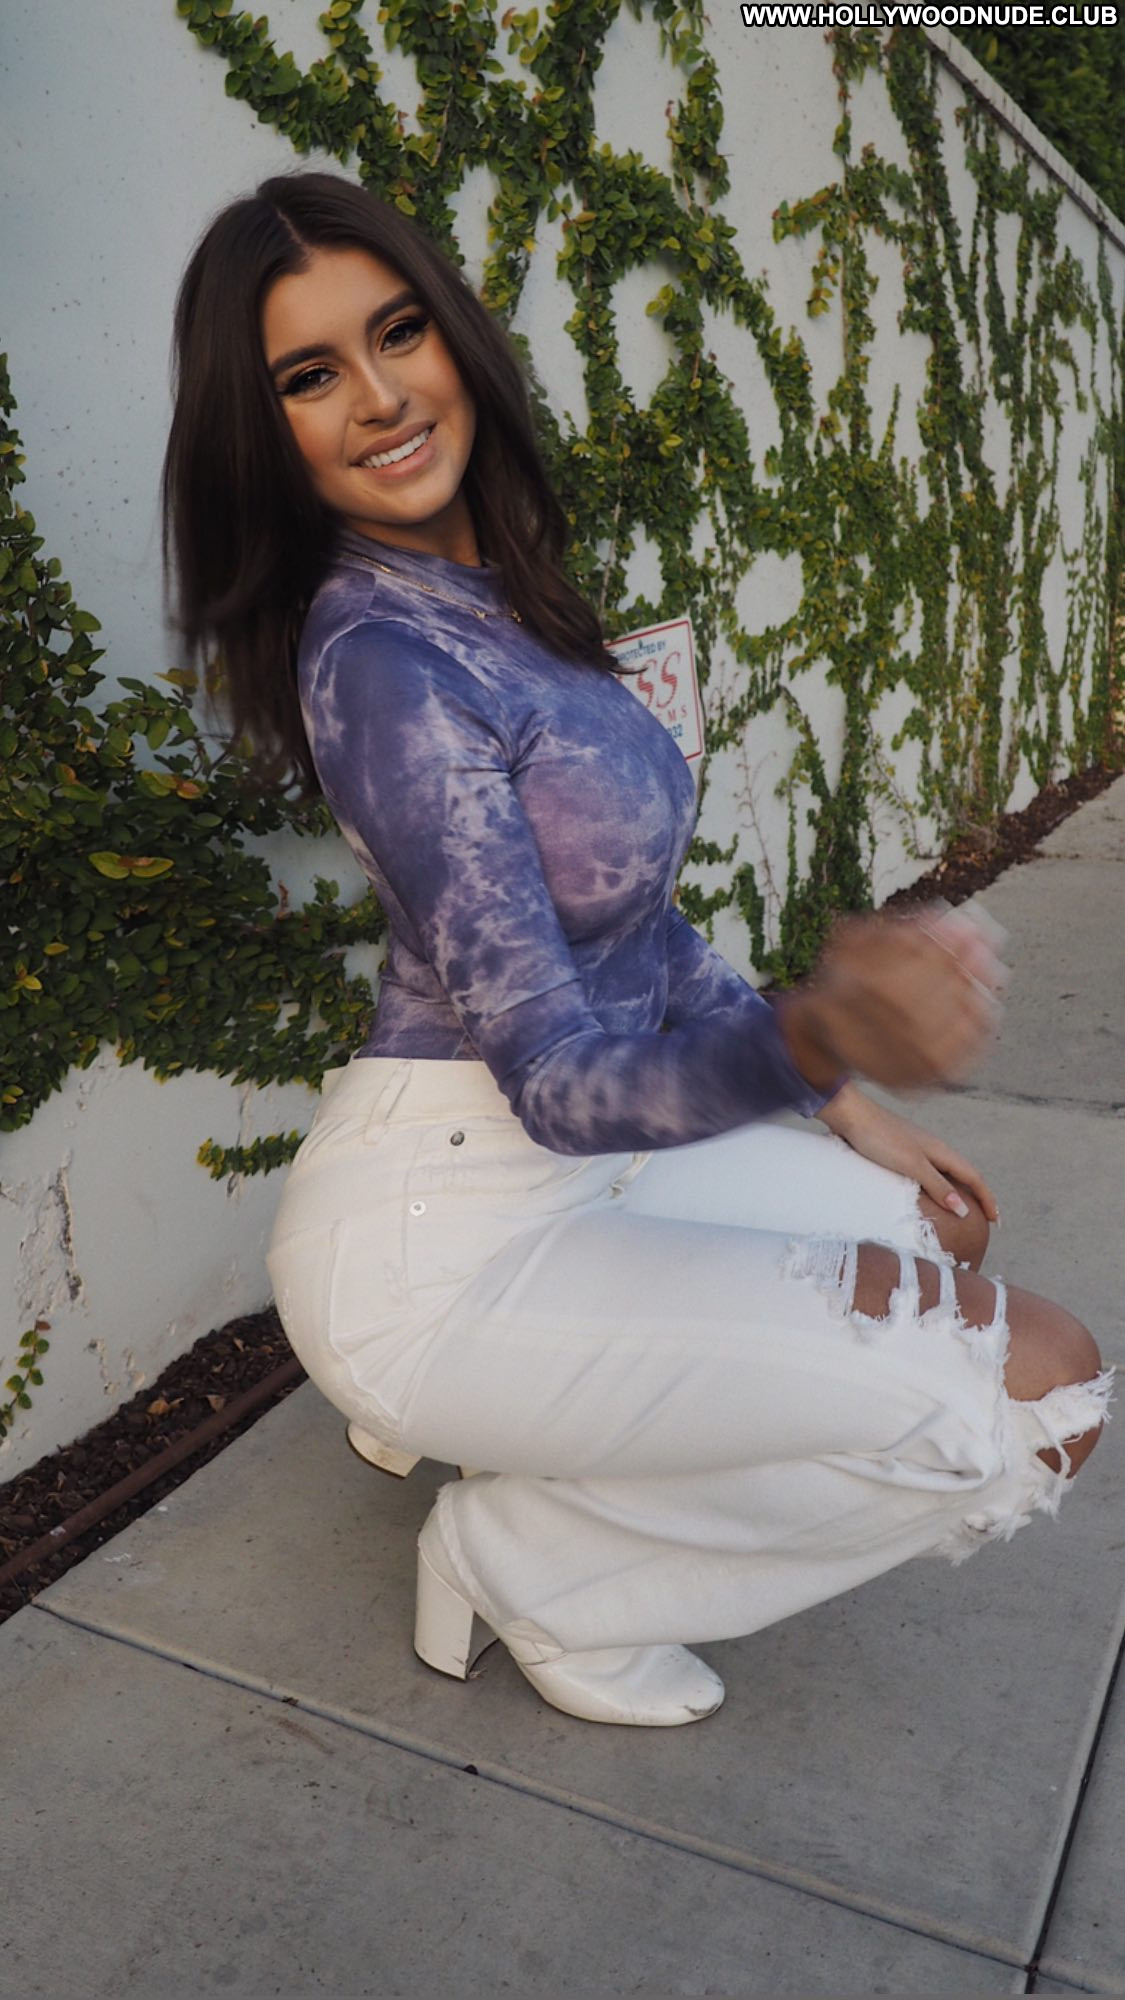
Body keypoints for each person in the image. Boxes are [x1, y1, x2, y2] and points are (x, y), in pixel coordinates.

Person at [164, 171, 1110, 1728]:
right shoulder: (386, 660)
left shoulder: (500, 593)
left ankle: (543, 1460)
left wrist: (841, 1103)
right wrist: (817, 1033)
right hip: (449, 1232)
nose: (380, 397)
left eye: (396, 333)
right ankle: (537, 1564)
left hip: (593, 1167)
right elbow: (554, 1083)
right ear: (260, 432)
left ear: (453, 335)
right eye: (308, 375)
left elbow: (638, 923)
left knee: (932, 1225)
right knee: (1045, 1390)